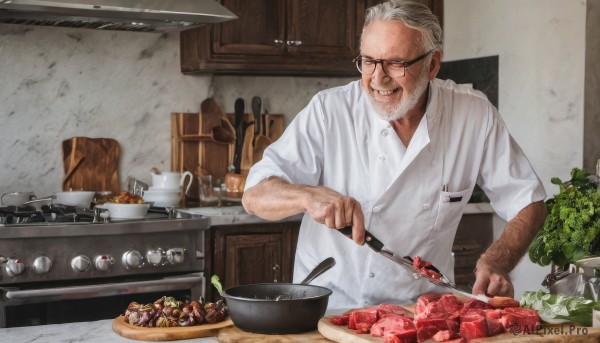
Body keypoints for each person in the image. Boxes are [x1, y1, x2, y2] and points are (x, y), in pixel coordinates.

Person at [241, 0, 547, 309]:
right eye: (368, 61)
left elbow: (528, 202)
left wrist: (497, 260)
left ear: (433, 64)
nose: (378, 78)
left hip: (423, 311)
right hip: (332, 308)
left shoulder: (473, 115)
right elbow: (255, 194)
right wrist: (307, 196)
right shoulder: (329, 111)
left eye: (395, 63)